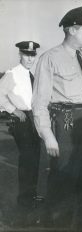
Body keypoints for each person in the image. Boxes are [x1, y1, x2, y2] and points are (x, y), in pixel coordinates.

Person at [32, 6, 82, 229]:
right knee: (63, 183)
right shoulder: (49, 59)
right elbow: (39, 102)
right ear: (72, 30)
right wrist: (48, 136)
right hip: (65, 123)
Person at [0, 41, 41, 224]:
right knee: (27, 160)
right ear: (20, 54)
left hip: (33, 118)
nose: (30, 58)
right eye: (26, 54)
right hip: (22, 119)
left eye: (33, 55)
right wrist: (13, 110)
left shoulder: (31, 74)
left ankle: (31, 196)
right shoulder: (12, 73)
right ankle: (24, 201)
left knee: (35, 159)